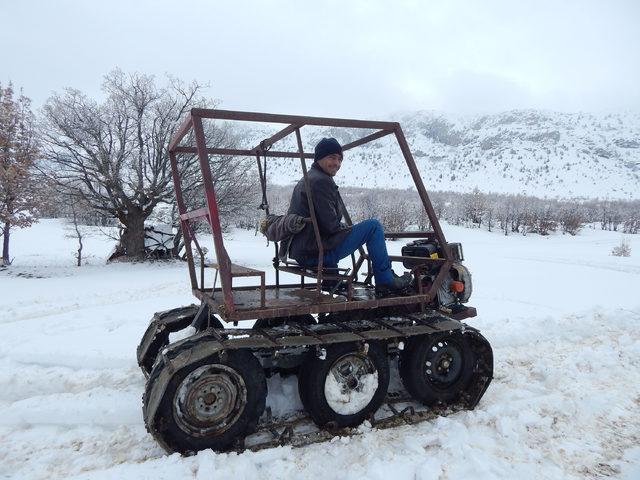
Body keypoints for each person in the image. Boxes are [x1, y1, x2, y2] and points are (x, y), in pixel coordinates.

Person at [287, 137, 413, 295]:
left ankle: (331, 278)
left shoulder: (308, 178)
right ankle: (386, 279)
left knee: (348, 231)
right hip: (315, 253)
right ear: (319, 158)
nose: (337, 163)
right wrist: (350, 230)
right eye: (332, 157)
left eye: (340, 159)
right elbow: (331, 225)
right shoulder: (321, 182)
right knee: (373, 227)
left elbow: (323, 224)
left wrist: (347, 229)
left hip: (304, 250)